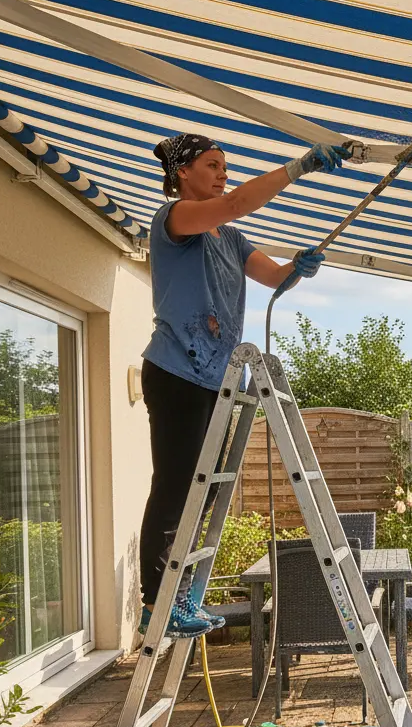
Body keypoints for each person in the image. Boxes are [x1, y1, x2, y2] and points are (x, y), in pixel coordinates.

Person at [139, 133, 350, 638]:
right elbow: (234, 203)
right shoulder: (172, 220)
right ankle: (155, 603)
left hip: (218, 380)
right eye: (212, 165)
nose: (222, 174)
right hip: (175, 372)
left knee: (203, 493)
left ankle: (181, 592)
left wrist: (298, 270)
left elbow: (273, 277)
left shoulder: (229, 240)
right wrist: (299, 168)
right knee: (174, 488)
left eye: (225, 167)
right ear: (182, 172)